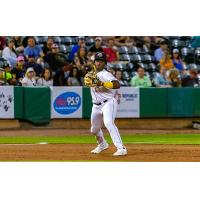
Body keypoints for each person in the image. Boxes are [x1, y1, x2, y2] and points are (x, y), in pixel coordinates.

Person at [84, 52, 127, 156]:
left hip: (108, 103)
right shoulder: (90, 74)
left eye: (101, 61)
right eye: (97, 61)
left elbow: (117, 84)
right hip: (96, 105)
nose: (98, 63)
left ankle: (121, 148)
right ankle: (102, 144)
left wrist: (102, 83)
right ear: (94, 62)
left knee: (108, 123)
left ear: (104, 63)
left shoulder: (106, 74)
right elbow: (87, 82)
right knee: (94, 130)